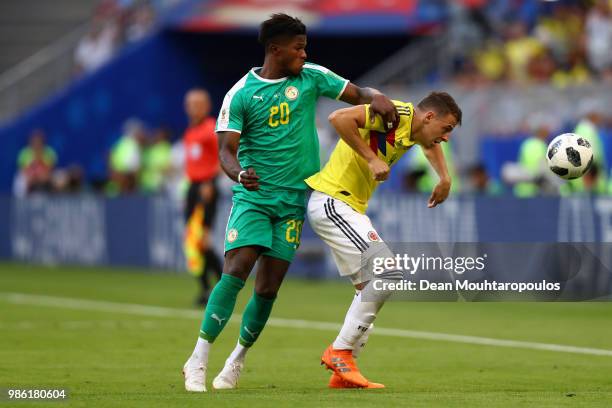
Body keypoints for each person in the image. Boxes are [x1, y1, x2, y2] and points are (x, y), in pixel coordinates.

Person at [182, 13, 398, 392]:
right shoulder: (242, 94)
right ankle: (198, 359)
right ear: (274, 49)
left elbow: (357, 94)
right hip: (255, 196)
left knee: (267, 288)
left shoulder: (312, 76)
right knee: (237, 268)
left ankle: (236, 360)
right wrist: (238, 173)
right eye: (298, 47)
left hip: (295, 200)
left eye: (304, 46)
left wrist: (377, 97)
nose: (304, 52)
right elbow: (226, 152)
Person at [306, 92, 462, 388]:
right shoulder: (397, 114)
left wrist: (444, 178)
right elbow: (338, 118)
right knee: (388, 273)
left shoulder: (415, 130)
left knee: (369, 290)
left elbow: (429, 144)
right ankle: (339, 352)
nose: (446, 137)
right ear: (429, 117)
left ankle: (344, 374)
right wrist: (371, 158)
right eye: (447, 128)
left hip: (348, 206)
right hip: (332, 200)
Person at [182, 88, 223, 307]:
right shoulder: (190, 131)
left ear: (206, 107)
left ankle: (219, 286)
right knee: (192, 240)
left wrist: (210, 182)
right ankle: (207, 288)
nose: (193, 108)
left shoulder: (210, 129)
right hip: (192, 187)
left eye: (198, 104)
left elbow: (222, 156)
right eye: (190, 104)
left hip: (207, 186)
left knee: (202, 240)